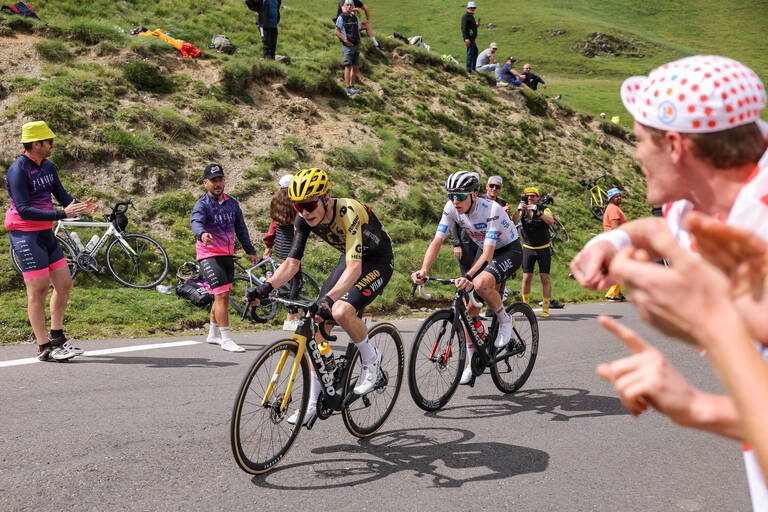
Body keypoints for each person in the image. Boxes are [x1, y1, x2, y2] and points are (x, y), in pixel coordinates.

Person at [569, 54, 768, 510]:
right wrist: (614, 241)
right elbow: (662, 231)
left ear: (676, 146)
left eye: (639, 141)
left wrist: (696, 403)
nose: (636, 154)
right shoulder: (708, 194)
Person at [248, 168, 394, 423]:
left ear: (326, 197)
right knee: (313, 321)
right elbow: (292, 264)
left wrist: (329, 299)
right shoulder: (303, 219)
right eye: (298, 206)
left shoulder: (347, 212)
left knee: (340, 310)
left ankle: (372, 360)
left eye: (310, 204)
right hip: (350, 259)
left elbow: (355, 269)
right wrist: (267, 287)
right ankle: (314, 401)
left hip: (377, 262)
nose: (305, 211)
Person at [411, 171, 522, 385]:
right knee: (467, 310)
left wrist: (468, 276)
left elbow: (489, 255)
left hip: (508, 250)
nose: (455, 200)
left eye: (460, 196)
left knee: (479, 284)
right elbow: (437, 241)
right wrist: (423, 269)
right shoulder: (451, 207)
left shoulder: (492, 210)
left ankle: (504, 318)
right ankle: (472, 363)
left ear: (474, 194)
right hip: (486, 250)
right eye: (452, 195)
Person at [4, 121, 97, 361]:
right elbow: (24, 210)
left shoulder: (48, 166)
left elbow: (61, 195)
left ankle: (57, 337)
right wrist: (61, 214)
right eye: (49, 142)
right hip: (25, 234)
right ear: (36, 144)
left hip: (45, 232)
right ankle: (43, 347)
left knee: (65, 284)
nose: (52, 146)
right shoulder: (18, 170)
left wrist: (80, 207)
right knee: (39, 290)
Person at [190, 164, 259, 353]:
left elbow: (241, 228)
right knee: (220, 294)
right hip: (209, 254)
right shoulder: (202, 204)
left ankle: (212, 334)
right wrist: (201, 233)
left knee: (223, 295)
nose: (217, 184)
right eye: (213, 181)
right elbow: (195, 221)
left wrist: (250, 250)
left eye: (220, 180)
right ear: (206, 183)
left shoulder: (232, 203)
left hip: (227, 254)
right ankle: (226, 338)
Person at [262, 174, 301, 330]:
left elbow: (273, 228)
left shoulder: (276, 202)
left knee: (288, 277)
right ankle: (291, 317)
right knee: (296, 281)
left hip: (280, 245)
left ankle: (293, 314)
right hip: (294, 245)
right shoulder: (296, 203)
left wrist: (268, 247)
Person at [513, 187, 558, 317]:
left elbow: (551, 221)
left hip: (543, 248)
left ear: (538, 198)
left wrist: (538, 213)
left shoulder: (544, 209)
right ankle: (525, 307)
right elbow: (514, 221)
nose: (530, 198)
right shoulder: (522, 210)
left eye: (533, 196)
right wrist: (518, 210)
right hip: (528, 248)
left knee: (545, 278)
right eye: (528, 196)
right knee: (526, 278)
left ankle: (545, 308)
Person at [602, 187, 626, 301]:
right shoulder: (613, 209)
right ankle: (612, 293)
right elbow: (615, 227)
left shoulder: (613, 208)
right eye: (616, 196)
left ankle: (617, 292)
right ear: (611, 198)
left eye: (620, 195)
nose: (619, 198)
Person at [335, 0, 362, 96]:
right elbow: (337, 31)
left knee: (355, 67)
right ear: (345, 6)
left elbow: (358, 29)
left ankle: (352, 86)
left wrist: (360, 40)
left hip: (356, 44)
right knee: (348, 66)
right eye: (347, 5)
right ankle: (348, 88)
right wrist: (345, 41)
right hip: (348, 45)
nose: (349, 6)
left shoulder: (354, 17)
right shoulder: (341, 17)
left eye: (351, 5)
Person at [461, 2, 478, 74]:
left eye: (474, 8)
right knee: (471, 53)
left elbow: (470, 26)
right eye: (471, 8)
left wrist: (476, 25)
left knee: (475, 52)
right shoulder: (465, 16)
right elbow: (463, 28)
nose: (472, 9)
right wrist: (466, 38)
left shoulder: (471, 16)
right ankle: (469, 70)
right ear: (468, 8)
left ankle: (472, 68)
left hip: (472, 38)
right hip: (469, 38)